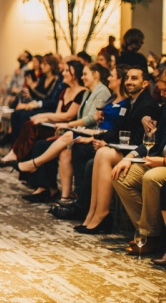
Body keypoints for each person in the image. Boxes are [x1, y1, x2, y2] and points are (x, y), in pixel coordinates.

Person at [74, 67, 159, 234]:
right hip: (127, 148)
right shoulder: (131, 102)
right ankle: (93, 212)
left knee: (104, 154)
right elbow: (118, 129)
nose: (129, 81)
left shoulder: (147, 105)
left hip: (141, 152)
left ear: (145, 83)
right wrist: (102, 140)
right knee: (101, 153)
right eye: (127, 78)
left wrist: (109, 145)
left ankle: (102, 214)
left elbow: (141, 141)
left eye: (134, 78)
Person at [14, 63, 111, 202]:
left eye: (85, 74)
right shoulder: (88, 92)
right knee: (43, 144)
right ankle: (52, 191)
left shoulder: (102, 91)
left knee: (56, 144)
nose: (82, 77)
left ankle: (35, 166)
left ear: (95, 74)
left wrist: (68, 125)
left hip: (90, 133)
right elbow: (78, 116)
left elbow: (91, 118)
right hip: (80, 131)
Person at [47, 64, 129, 218]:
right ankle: (73, 197)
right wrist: (99, 119)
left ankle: (81, 204)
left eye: (112, 75)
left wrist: (95, 138)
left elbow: (117, 128)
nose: (108, 78)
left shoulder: (125, 102)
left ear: (120, 80)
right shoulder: (111, 97)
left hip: (106, 139)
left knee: (75, 143)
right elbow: (99, 119)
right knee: (71, 147)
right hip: (99, 134)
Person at [111, 74, 166, 255]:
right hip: (157, 157)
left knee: (151, 178)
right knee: (121, 175)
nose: (162, 94)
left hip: (163, 162)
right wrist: (129, 157)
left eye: (165, 91)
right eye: (161, 90)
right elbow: (155, 138)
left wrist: (163, 161)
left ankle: (149, 235)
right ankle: (150, 232)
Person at [0, 60, 86, 169]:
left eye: (67, 71)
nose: (63, 73)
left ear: (75, 74)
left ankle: (16, 157)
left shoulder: (82, 92)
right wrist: (44, 118)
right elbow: (58, 114)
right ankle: (18, 158)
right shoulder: (65, 91)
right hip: (57, 125)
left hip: (67, 129)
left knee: (32, 126)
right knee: (31, 123)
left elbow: (69, 116)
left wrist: (45, 116)